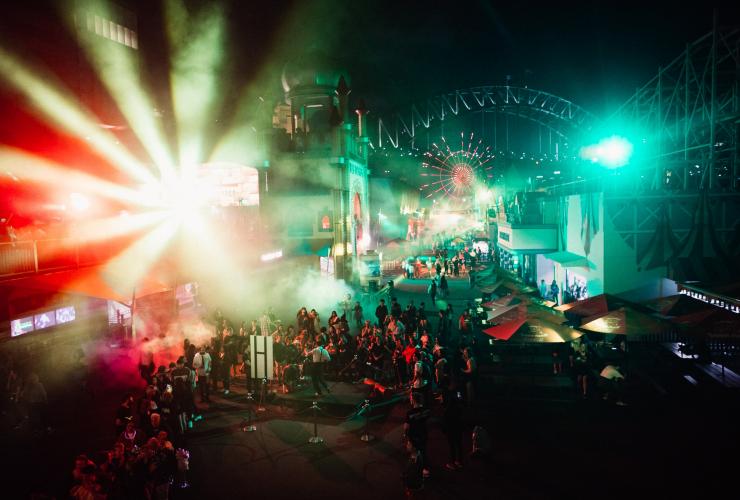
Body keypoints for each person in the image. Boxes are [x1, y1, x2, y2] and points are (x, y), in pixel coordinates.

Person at [404, 391, 432, 479]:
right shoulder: (426, 410)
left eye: (411, 399)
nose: (410, 400)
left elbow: (406, 427)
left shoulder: (410, 413)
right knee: (423, 451)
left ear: (414, 400)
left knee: (413, 453)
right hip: (423, 434)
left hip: (414, 436)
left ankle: (413, 472)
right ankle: (425, 470)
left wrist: (406, 436)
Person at [443, 378, 464, 471]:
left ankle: (452, 462)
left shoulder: (447, 409)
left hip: (451, 426)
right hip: (458, 423)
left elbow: (445, 417)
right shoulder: (458, 392)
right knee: (458, 443)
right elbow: (460, 399)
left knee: (452, 444)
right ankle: (459, 461)